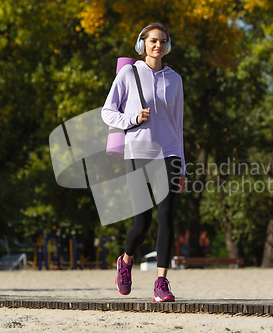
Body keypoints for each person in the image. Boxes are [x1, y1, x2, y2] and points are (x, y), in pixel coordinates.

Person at [101, 22, 186, 302]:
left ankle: (161, 283)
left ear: (168, 46)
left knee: (167, 218)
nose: (158, 45)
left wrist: (182, 165)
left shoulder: (175, 79)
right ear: (142, 44)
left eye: (163, 41)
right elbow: (107, 111)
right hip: (139, 151)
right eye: (153, 41)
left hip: (170, 153)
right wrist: (132, 119)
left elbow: (178, 124)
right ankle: (125, 261)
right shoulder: (129, 73)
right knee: (142, 222)